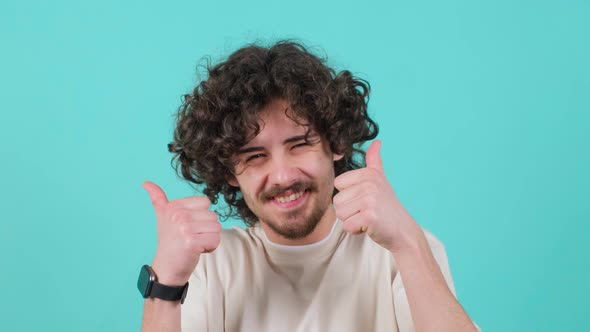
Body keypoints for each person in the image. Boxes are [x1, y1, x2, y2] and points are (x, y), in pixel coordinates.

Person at [139, 40, 479, 332]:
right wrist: (165, 282)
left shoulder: (405, 252)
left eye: (299, 144)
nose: (283, 176)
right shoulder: (208, 266)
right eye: (255, 156)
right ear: (229, 171)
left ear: (336, 143)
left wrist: (408, 242)